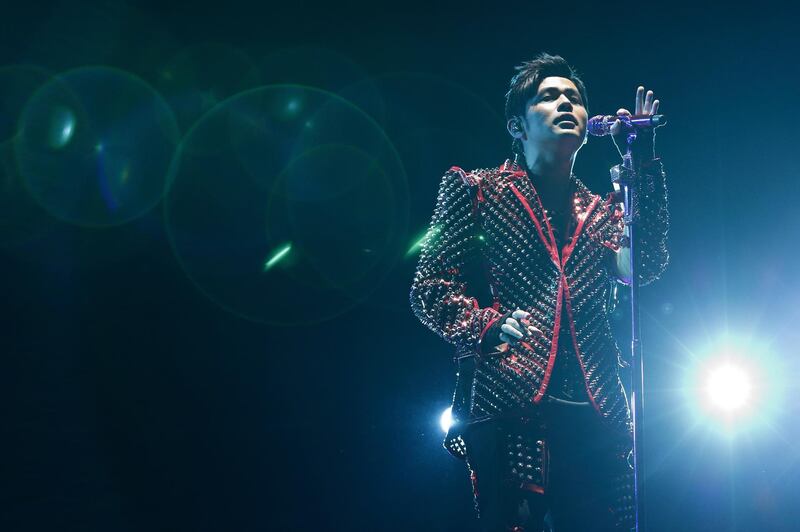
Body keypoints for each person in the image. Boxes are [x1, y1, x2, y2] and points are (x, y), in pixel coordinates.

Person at [409, 53, 669, 531]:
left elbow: (642, 266)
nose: (565, 104)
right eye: (549, 97)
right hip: (513, 405)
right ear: (517, 124)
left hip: (598, 411)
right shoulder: (477, 190)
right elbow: (429, 286)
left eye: (573, 98)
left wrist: (643, 165)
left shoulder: (601, 208)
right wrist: (485, 324)